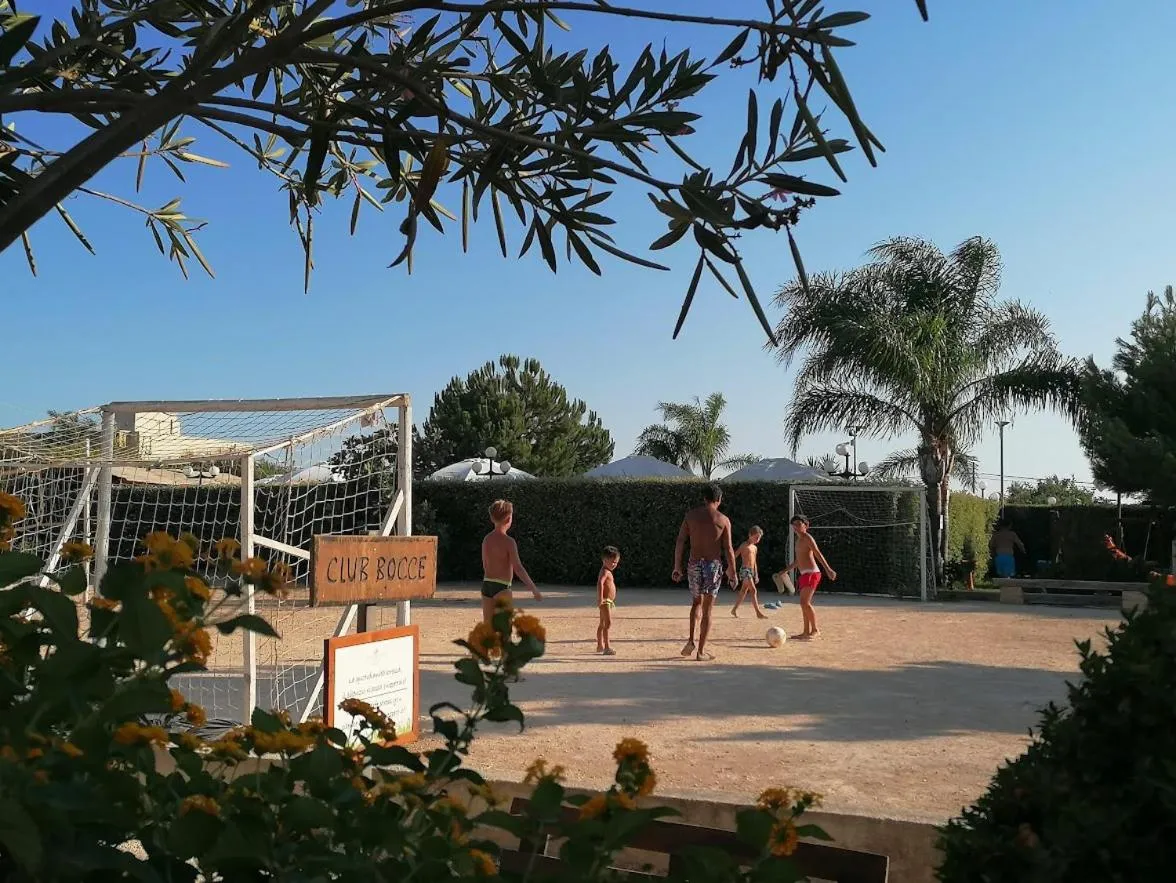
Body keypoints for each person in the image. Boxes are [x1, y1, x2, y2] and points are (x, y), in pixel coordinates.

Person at [671, 483, 737, 661]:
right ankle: (700, 652)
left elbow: (680, 541)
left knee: (696, 604)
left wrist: (677, 566)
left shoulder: (690, 516)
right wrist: (733, 571)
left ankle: (691, 640)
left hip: (694, 564)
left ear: (704, 498)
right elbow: (728, 548)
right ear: (719, 499)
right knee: (708, 609)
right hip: (712, 566)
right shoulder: (723, 520)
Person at [480, 499, 541, 622]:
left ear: (492, 518)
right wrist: (533, 588)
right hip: (502, 587)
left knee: (488, 627)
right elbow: (518, 567)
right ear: (509, 519)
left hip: (487, 584)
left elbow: (485, 564)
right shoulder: (509, 542)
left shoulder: (487, 539)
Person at [779, 515, 836, 639]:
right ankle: (805, 632)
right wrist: (785, 570)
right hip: (804, 574)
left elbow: (817, 553)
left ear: (806, 525)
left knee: (805, 602)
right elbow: (798, 561)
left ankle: (815, 630)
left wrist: (828, 569)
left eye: (799, 524)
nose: (796, 527)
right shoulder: (798, 541)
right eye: (794, 525)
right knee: (803, 603)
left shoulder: (807, 538)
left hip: (813, 573)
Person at [731, 526, 767, 619]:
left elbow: (754, 562)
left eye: (759, 538)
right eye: (756, 537)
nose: (757, 539)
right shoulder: (744, 545)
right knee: (753, 590)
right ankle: (758, 612)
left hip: (751, 571)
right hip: (744, 570)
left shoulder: (754, 548)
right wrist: (731, 568)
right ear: (750, 535)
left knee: (743, 591)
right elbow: (735, 555)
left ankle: (734, 609)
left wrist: (756, 574)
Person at [596, 545, 621, 655]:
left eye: (616, 562)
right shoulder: (605, 572)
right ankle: (607, 647)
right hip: (605, 602)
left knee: (602, 624)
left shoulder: (607, 570)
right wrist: (600, 599)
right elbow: (600, 583)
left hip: (607, 602)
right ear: (604, 560)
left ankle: (599, 645)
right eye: (612, 562)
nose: (614, 564)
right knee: (608, 624)